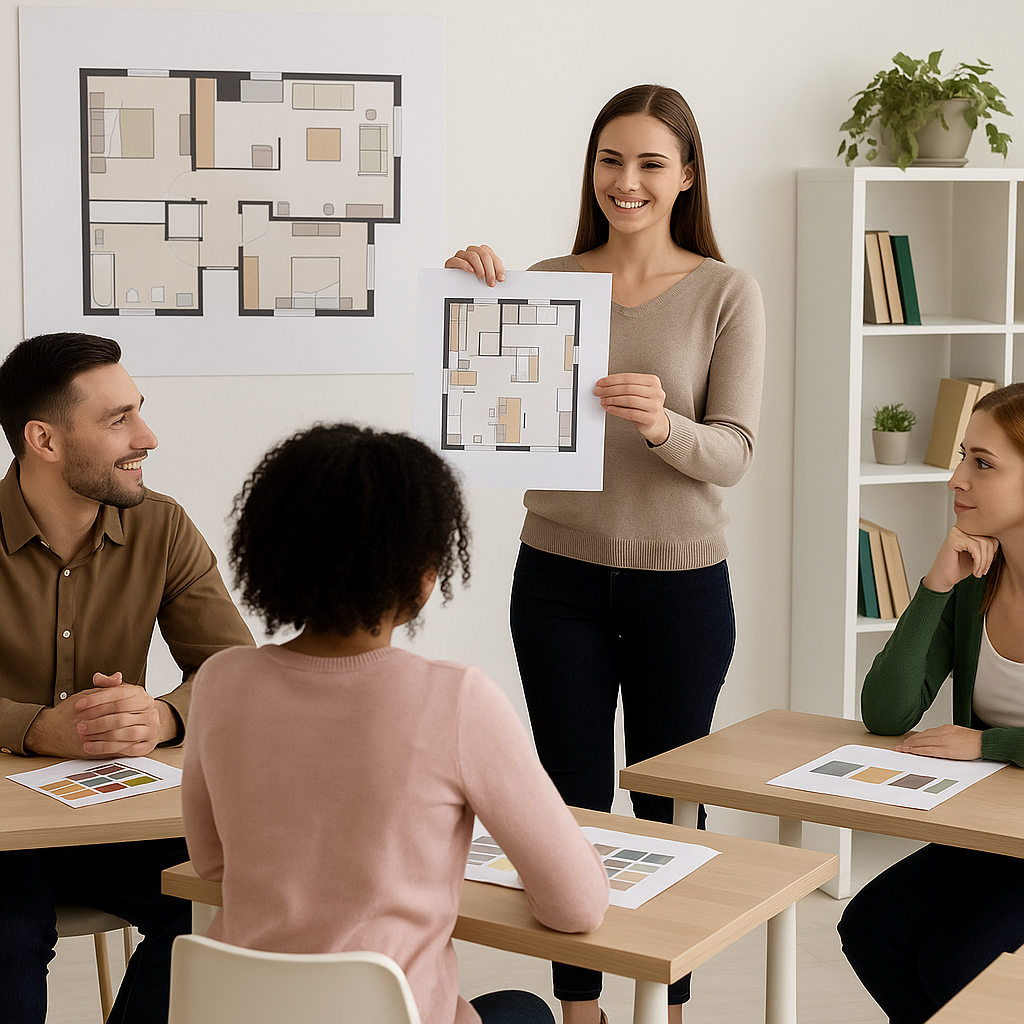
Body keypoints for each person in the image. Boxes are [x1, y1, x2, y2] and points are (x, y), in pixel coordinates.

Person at [446, 84, 765, 1024]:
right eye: (611, 160)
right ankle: (578, 1010)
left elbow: (737, 453)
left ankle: (667, 1008)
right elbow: (481, 406)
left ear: (687, 176)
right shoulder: (545, 279)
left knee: (672, 812)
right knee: (567, 808)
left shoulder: (724, 289)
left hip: (683, 587)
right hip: (557, 580)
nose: (627, 182)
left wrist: (665, 424)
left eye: (650, 163)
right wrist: (468, 295)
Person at [182, 423, 609, 1024]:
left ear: (272, 554)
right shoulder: (456, 699)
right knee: (525, 1011)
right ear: (424, 572)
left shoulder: (221, 683)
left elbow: (214, 863)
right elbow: (578, 906)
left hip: (247, 1011)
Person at [0, 332, 254, 1024]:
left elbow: (236, 673)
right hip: (2, 834)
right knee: (8, 938)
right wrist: (33, 728)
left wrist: (164, 715)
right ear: (44, 441)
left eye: (138, 410)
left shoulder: (162, 528)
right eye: (119, 419)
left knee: (231, 899)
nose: (147, 436)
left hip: (114, 817)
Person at [838, 383, 1024, 1024]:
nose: (957, 478)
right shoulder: (977, 583)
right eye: (962, 457)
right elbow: (887, 714)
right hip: (995, 831)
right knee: (872, 930)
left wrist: (987, 743)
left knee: (956, 963)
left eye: (983, 463)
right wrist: (935, 587)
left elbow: (979, 740)